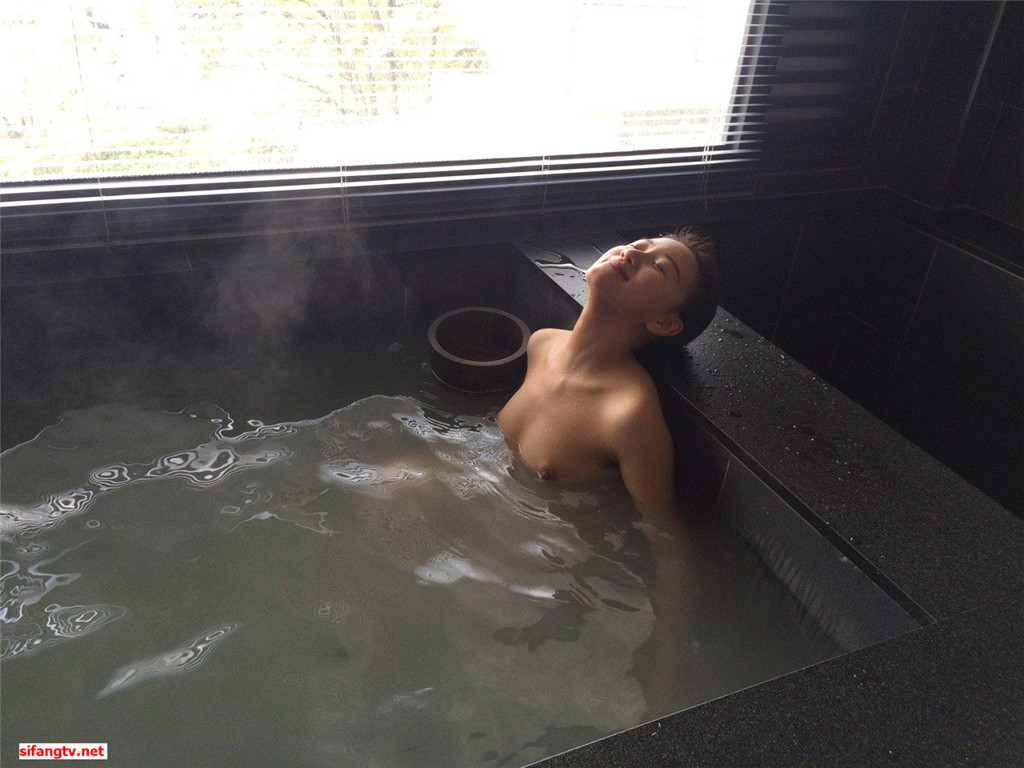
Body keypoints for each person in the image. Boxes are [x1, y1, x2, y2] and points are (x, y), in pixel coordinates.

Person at [496, 230, 719, 522]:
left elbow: (661, 530)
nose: (631, 253)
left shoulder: (628, 413)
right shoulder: (542, 344)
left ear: (664, 322)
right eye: (638, 244)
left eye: (658, 266)